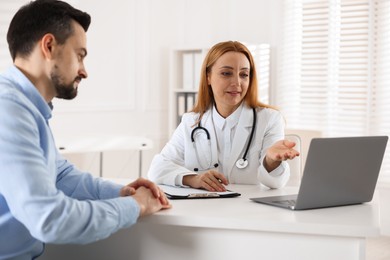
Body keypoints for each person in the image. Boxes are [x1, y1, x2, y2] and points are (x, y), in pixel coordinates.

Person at [0, 0, 171, 259]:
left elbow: (58, 174)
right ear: (48, 46)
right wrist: (134, 206)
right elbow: (51, 219)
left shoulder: (26, 106)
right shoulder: (9, 108)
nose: (84, 71)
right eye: (79, 55)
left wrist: (120, 191)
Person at [148, 41, 299, 192]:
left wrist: (271, 161)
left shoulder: (269, 119)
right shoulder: (192, 121)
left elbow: (275, 183)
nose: (237, 82)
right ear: (208, 77)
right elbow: (157, 169)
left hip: (248, 211)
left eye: (244, 74)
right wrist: (194, 179)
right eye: (226, 73)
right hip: (203, 209)